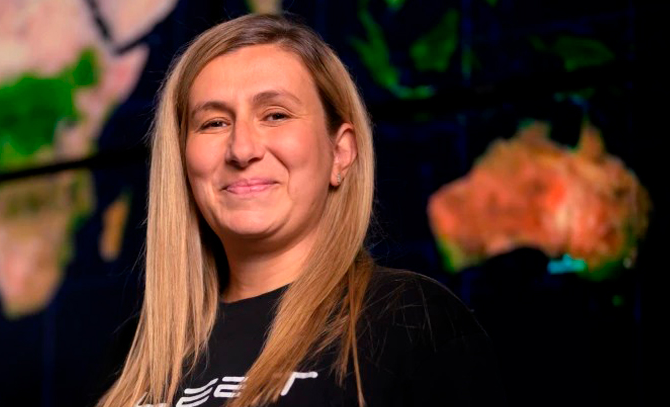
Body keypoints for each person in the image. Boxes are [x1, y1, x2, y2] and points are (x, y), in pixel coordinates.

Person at [91, 13, 505, 407]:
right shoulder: (135, 352)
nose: (242, 149)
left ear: (341, 152)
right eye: (214, 122)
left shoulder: (410, 322)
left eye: (275, 115)